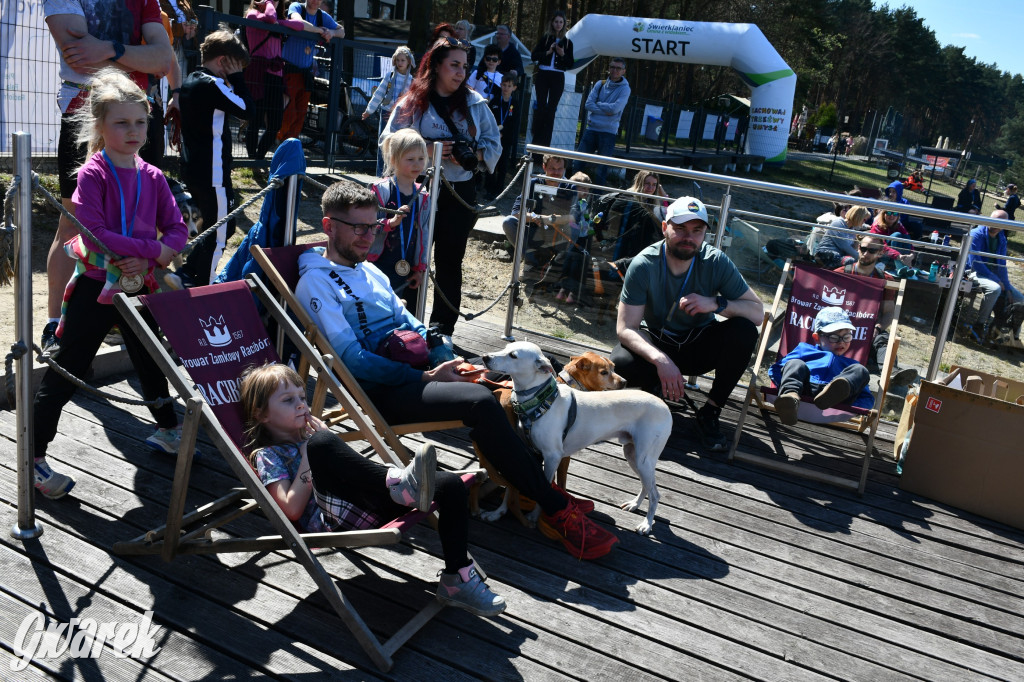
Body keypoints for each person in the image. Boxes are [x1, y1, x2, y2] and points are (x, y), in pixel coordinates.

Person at [294, 179, 619, 559]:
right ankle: (554, 506)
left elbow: (416, 328)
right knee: (480, 401)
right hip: (380, 390)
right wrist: (426, 377)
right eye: (358, 227)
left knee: (502, 386)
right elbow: (353, 362)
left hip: (416, 371)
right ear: (329, 226)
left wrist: (444, 358)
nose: (369, 236)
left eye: (374, 225)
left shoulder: (371, 272)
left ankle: (530, 490)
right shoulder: (316, 282)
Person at [31, 69, 188, 500]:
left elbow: (176, 227)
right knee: (70, 365)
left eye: (140, 122)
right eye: (121, 123)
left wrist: (157, 253)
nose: (133, 131)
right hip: (97, 285)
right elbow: (94, 230)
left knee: (151, 357)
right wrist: (148, 249)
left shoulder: (154, 176)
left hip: (140, 285)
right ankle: (34, 457)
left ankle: (169, 429)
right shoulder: (91, 174)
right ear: (100, 125)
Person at [239, 363, 506, 616]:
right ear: (261, 414)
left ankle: (457, 580)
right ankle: (402, 484)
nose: (301, 404)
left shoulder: (312, 440)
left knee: (450, 485)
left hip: (365, 505)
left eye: (302, 396)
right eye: (288, 400)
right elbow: (291, 510)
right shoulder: (268, 455)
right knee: (322, 443)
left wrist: (316, 445)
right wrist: (310, 452)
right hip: (333, 520)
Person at [41, 0, 175, 353]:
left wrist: (108, 49)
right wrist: (136, 55)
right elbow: (78, 56)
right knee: (71, 225)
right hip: (85, 112)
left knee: (142, 224)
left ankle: (122, 316)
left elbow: (164, 60)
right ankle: (56, 324)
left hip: (137, 114)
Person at [610, 196, 762, 452]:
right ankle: (653, 396)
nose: (688, 237)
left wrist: (717, 304)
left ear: (705, 233)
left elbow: (757, 312)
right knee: (621, 361)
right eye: (680, 228)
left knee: (744, 331)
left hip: (699, 343)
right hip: (659, 342)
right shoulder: (643, 264)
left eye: (697, 230)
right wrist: (661, 361)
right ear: (664, 227)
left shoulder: (716, 261)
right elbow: (626, 328)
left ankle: (711, 412)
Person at [380, 36, 501, 339]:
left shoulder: (475, 103)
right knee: (407, 255)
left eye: (464, 66)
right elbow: (388, 141)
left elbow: (494, 143)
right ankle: (400, 321)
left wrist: (473, 155)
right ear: (436, 66)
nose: (460, 72)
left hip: (459, 192)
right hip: (415, 191)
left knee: (449, 259)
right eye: (454, 65)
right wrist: (428, 149)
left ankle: (441, 329)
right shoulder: (412, 102)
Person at [164, 29, 253, 290]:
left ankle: (189, 273)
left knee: (221, 223)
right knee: (222, 229)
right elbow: (247, 109)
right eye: (235, 66)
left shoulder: (192, 79)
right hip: (212, 172)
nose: (235, 74)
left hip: (197, 169)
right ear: (224, 61)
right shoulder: (211, 84)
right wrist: (237, 78)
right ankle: (199, 283)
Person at [834, 235, 918, 385]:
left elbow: (888, 313)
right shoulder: (840, 273)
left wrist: (877, 329)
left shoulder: (885, 281)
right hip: (838, 332)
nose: (866, 253)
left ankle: (891, 374)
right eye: (863, 249)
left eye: (871, 250)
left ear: (880, 253)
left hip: (867, 333)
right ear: (858, 248)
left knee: (884, 338)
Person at [769, 307, 873, 426]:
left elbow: (867, 398)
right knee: (795, 364)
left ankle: (835, 391)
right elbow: (776, 369)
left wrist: (850, 408)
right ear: (817, 338)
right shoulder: (804, 350)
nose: (841, 342)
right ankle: (789, 398)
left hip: (838, 400)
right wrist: (786, 387)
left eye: (846, 337)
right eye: (834, 337)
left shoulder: (851, 365)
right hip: (804, 389)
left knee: (861, 370)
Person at [368, 129, 430, 313]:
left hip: (407, 267)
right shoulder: (381, 190)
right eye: (410, 159)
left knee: (402, 310)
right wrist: (390, 224)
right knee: (377, 308)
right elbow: (367, 226)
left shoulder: (423, 195)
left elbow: (423, 234)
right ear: (394, 160)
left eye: (421, 158)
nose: (417, 164)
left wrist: (419, 267)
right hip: (378, 263)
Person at [243, 0, 310, 161]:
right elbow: (270, 18)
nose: (273, 1)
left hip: (276, 76)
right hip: (258, 73)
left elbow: (299, 26)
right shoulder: (253, 15)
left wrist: (280, 21)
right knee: (256, 120)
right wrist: (269, 4)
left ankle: (258, 158)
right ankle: (252, 159)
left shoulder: (274, 19)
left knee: (275, 123)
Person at [277, 0, 342, 143]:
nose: (315, 1)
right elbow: (299, 24)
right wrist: (320, 30)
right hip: (289, 69)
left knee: (300, 113)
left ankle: (290, 144)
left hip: (306, 73)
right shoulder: (297, 7)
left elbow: (342, 32)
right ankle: (279, 139)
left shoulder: (322, 16)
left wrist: (331, 32)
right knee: (289, 111)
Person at [501, 154, 572, 268]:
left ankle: (556, 266)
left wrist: (550, 219)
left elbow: (573, 217)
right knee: (508, 222)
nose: (556, 173)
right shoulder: (533, 183)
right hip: (534, 233)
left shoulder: (570, 187)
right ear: (544, 167)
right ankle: (532, 261)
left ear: (564, 169)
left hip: (557, 236)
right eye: (552, 168)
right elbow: (515, 212)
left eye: (560, 169)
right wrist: (537, 217)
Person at [965, 210, 1024, 338]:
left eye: (1001, 222)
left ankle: (1010, 336)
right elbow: (975, 263)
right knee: (995, 289)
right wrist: (997, 280)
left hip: (994, 276)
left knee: (1020, 299)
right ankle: (980, 325)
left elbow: (1001, 265)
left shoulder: (1001, 238)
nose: (997, 225)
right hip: (973, 272)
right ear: (989, 219)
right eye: (995, 220)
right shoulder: (976, 234)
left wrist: (1007, 287)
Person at [576, 57, 631, 187]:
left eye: (618, 68)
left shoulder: (625, 89)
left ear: (623, 71)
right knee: (577, 163)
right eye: (612, 67)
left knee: (602, 169)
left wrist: (599, 105)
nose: (615, 70)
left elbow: (615, 109)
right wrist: (607, 109)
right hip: (591, 129)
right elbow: (588, 104)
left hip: (608, 133)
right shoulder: (599, 84)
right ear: (609, 68)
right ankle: (572, 191)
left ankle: (597, 199)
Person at [363, 45, 416, 178]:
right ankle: (380, 175)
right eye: (397, 60)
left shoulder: (411, 81)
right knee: (383, 145)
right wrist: (369, 110)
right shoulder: (390, 76)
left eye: (402, 60)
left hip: (401, 117)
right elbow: (379, 94)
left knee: (398, 147)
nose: (399, 63)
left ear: (409, 61)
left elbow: (411, 102)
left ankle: (395, 176)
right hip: (387, 112)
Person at [529, 10, 573, 149]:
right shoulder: (545, 38)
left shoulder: (568, 42)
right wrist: (548, 52)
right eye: (556, 22)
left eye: (561, 22)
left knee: (551, 110)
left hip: (558, 76)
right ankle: (535, 146)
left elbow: (570, 63)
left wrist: (562, 54)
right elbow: (534, 56)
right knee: (541, 108)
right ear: (552, 23)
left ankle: (545, 148)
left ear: (564, 24)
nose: (558, 24)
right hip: (543, 74)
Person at [556, 171, 595, 304]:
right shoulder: (573, 202)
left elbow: (588, 220)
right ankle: (565, 291)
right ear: (574, 188)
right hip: (572, 237)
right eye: (581, 188)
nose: (585, 191)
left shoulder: (587, 202)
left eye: (587, 189)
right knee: (571, 264)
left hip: (582, 238)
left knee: (576, 264)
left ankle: (568, 292)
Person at [485, 72, 520, 199]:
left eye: (509, 86)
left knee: (503, 165)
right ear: (500, 85)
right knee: (491, 163)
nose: (506, 88)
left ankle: (499, 190)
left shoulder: (515, 103)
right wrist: (495, 133)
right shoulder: (495, 101)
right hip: (493, 138)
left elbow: (514, 123)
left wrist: (503, 134)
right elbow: (490, 119)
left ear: (514, 88)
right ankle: (489, 189)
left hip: (506, 139)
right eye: (504, 85)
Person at [814, 205, 870, 269]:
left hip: (838, 257)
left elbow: (853, 247)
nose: (864, 222)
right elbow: (844, 246)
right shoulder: (838, 223)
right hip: (824, 254)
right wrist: (861, 258)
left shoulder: (852, 229)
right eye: (864, 219)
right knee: (850, 261)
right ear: (858, 217)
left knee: (852, 262)